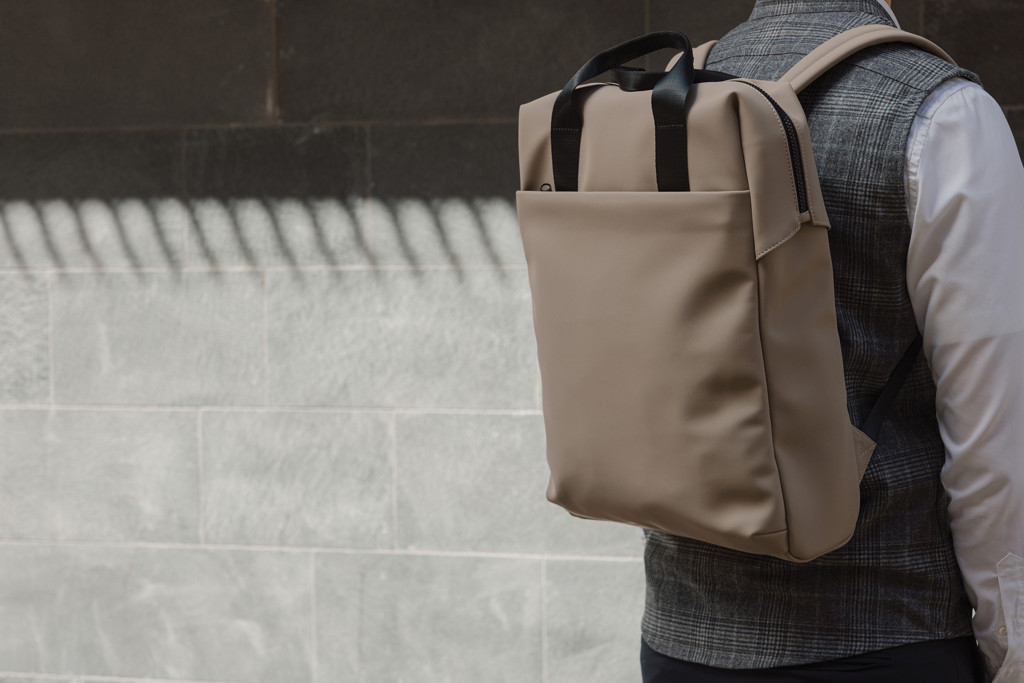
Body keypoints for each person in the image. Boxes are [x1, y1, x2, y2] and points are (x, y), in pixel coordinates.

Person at [640, 1, 1024, 681]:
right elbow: (995, 441)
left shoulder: (669, 95)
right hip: (884, 637)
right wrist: (1010, 652)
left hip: (678, 639)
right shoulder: (941, 112)